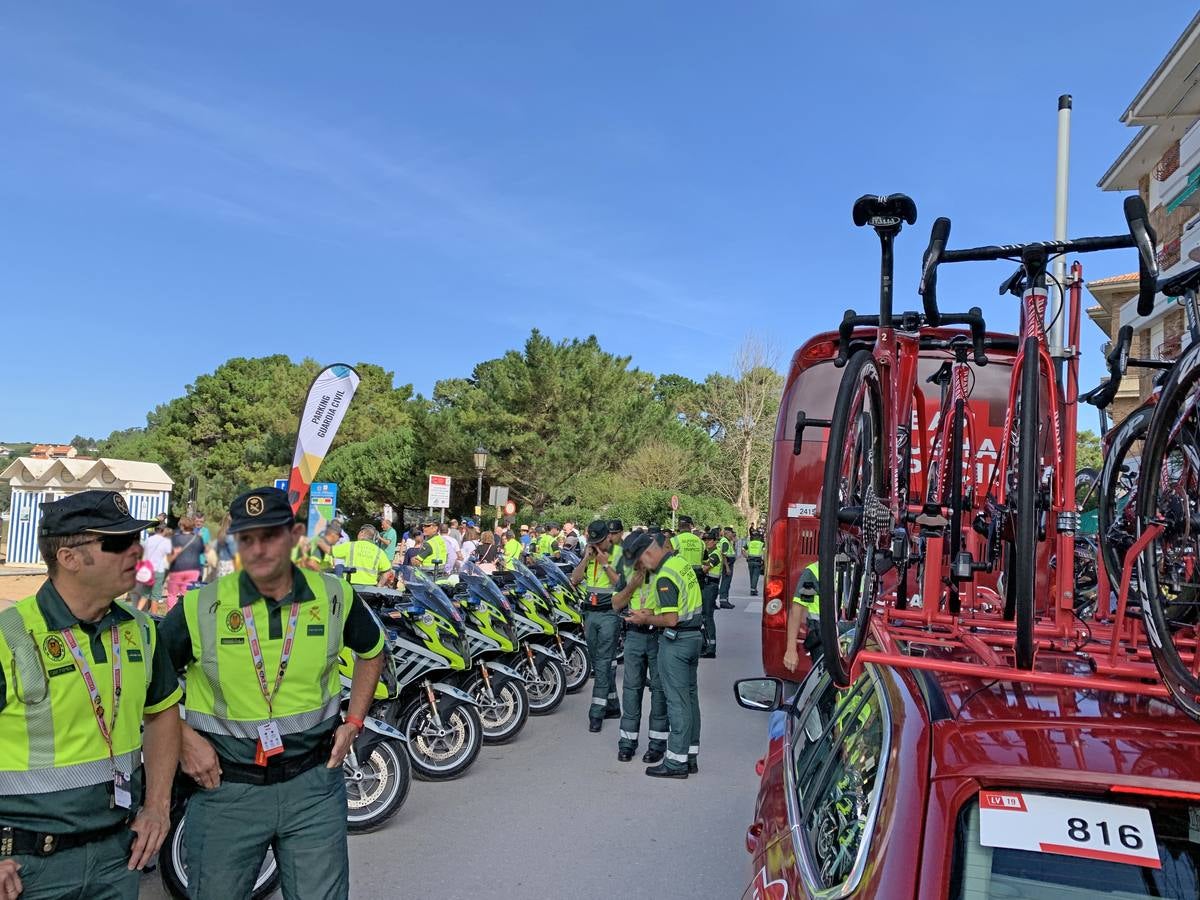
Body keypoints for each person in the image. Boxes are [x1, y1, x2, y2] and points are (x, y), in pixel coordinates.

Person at [159, 487, 386, 900]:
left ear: (295, 535)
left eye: (270, 536)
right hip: (227, 792)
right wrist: (184, 739)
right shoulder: (201, 608)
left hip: (314, 787)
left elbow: (373, 651)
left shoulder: (334, 595)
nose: (258, 549)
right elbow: (148, 685)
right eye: (247, 539)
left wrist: (354, 722)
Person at [0, 490, 182, 899]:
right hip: (23, 869)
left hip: (118, 857)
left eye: (137, 538)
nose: (136, 550)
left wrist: (156, 806)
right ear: (69, 558)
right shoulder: (8, 636)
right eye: (118, 542)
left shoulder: (144, 630)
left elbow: (163, 714)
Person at [620, 529, 703, 778]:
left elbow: (670, 619)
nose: (641, 567)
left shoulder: (665, 575)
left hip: (677, 642)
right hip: (694, 637)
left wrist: (646, 617)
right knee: (690, 700)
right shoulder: (680, 563)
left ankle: (675, 762)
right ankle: (689, 756)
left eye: (641, 560)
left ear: (648, 553)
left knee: (676, 702)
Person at [612, 533, 668, 765]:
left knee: (659, 691)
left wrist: (650, 617)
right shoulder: (628, 574)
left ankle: (656, 745)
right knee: (631, 689)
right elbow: (616, 604)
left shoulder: (663, 572)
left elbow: (674, 612)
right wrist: (633, 584)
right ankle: (627, 743)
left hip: (657, 636)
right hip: (634, 637)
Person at [569, 521, 623, 731]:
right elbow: (575, 579)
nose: (595, 545)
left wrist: (605, 563)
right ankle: (612, 705)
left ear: (608, 537)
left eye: (598, 541)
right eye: (592, 542)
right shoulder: (589, 553)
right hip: (590, 613)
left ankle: (596, 713)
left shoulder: (619, 554)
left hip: (609, 613)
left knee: (602, 663)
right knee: (598, 661)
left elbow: (620, 584)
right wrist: (586, 559)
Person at [783, 561, 822, 675]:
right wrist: (791, 649)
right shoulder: (815, 571)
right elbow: (797, 610)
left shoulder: (865, 568)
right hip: (824, 644)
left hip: (855, 644)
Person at [328, 525, 394, 586]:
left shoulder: (351, 546)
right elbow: (387, 571)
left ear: (362, 533)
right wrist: (379, 585)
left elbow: (330, 551)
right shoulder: (379, 552)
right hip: (370, 588)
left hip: (351, 585)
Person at [165, 515, 206, 609]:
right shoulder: (198, 539)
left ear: (181, 526)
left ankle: (171, 614)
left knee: (172, 594)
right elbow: (201, 551)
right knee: (187, 594)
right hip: (193, 569)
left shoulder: (175, 539)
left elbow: (169, 553)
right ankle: (185, 614)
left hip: (177, 569)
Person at [699, 529, 723, 658]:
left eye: (709, 540)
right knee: (703, 616)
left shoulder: (715, 554)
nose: (707, 542)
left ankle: (711, 648)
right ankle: (705, 644)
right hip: (705, 586)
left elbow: (705, 568)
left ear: (714, 541)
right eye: (705, 540)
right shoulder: (707, 553)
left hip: (710, 586)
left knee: (707, 616)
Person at [141, 523, 173, 611]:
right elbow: (169, 555)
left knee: (145, 595)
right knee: (155, 596)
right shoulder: (165, 541)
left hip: (148, 569)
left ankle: (137, 613)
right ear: (164, 530)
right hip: (158, 570)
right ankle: (153, 616)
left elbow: (144, 554)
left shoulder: (148, 540)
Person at [717, 527, 736, 609]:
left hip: (728, 564)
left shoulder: (727, 541)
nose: (733, 535)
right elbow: (723, 555)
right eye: (732, 533)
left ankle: (726, 600)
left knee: (727, 583)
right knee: (725, 583)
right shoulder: (725, 542)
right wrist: (727, 568)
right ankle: (723, 601)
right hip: (726, 565)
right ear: (727, 533)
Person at [215, 513, 239, 578]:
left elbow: (217, 550)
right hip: (230, 564)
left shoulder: (221, 533)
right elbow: (234, 554)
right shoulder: (230, 536)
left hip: (221, 563)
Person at [744, 528, 766, 596]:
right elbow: (765, 552)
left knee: (751, 575)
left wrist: (746, 556)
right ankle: (753, 590)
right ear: (759, 537)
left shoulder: (749, 543)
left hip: (750, 561)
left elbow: (743, 550)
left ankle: (753, 588)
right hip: (757, 561)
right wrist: (764, 560)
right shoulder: (761, 544)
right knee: (755, 576)